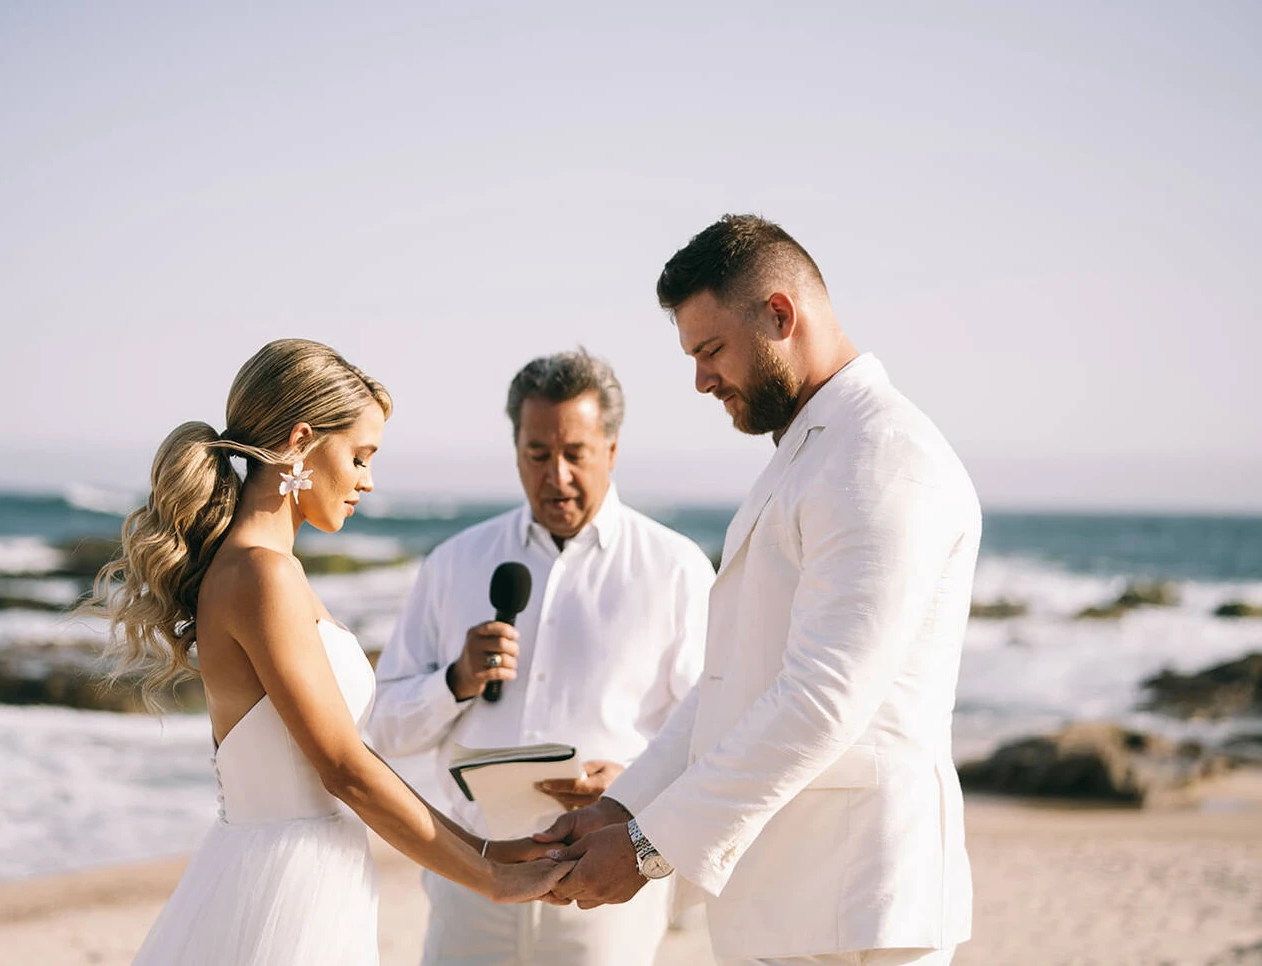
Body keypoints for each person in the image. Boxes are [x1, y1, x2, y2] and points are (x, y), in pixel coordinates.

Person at [535, 215, 980, 966]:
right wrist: (621, 806)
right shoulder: (812, 450)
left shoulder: (882, 454)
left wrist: (646, 848)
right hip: (785, 905)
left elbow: (821, 698)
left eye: (710, 350)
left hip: (857, 912)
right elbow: (729, 685)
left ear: (779, 314)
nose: (701, 379)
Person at [87, 339, 570, 966]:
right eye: (360, 455)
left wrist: (486, 850)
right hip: (288, 887)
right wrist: (489, 879)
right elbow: (342, 768)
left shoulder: (261, 570)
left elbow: (349, 760)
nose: (369, 481)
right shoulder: (262, 575)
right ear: (301, 441)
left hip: (296, 870)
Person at [367, 349, 715, 965]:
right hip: (470, 870)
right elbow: (385, 729)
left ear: (611, 448)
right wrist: (456, 680)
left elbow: (712, 726)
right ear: (516, 449)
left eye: (575, 454)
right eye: (537, 454)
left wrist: (636, 786)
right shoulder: (454, 562)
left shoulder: (677, 568)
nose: (556, 476)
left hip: (605, 879)